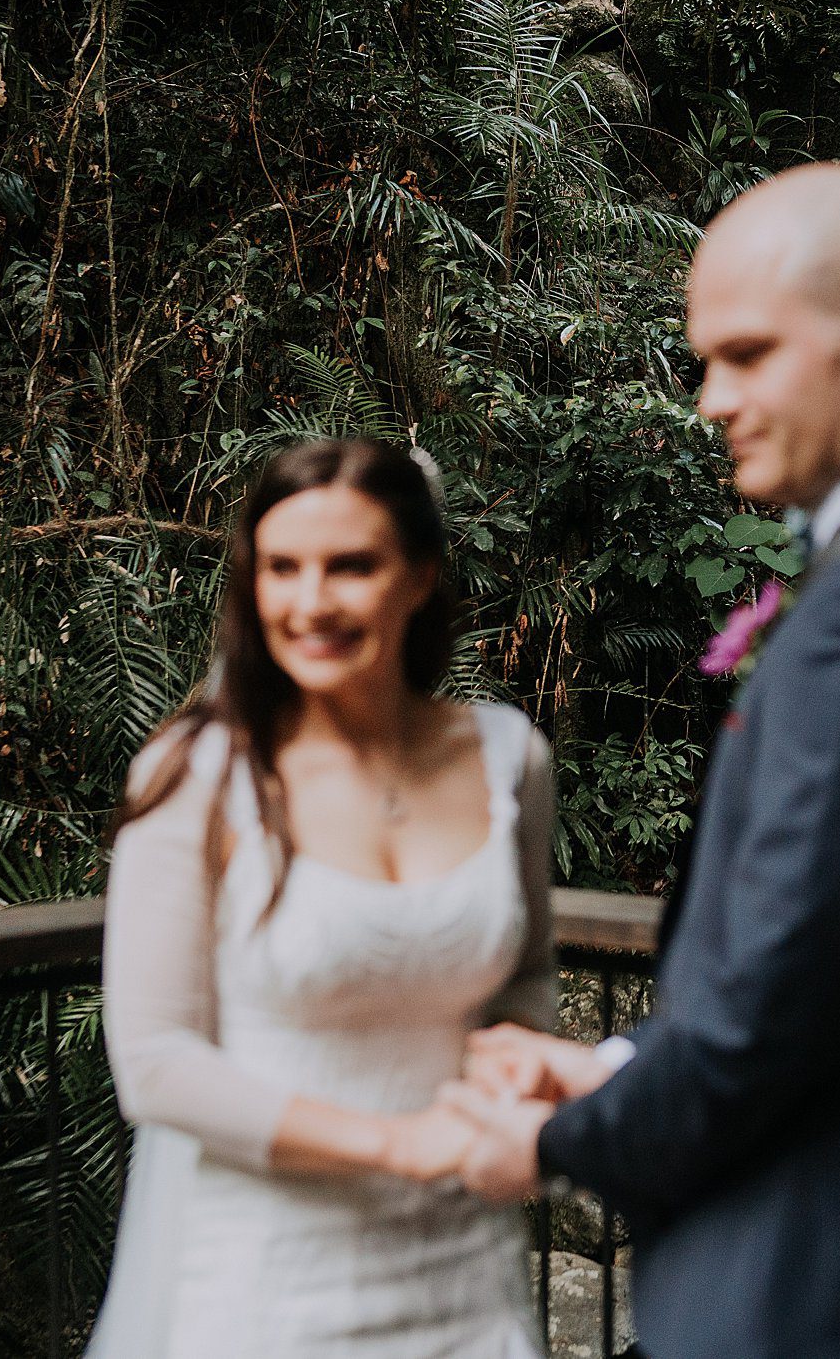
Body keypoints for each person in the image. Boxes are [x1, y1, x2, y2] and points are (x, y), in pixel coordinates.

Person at [444, 163, 840, 1359]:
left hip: (833, 1285)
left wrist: (549, 1143)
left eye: (744, 355)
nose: (710, 400)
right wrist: (611, 1065)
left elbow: (775, 1013)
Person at [88, 439, 556, 1359]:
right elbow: (154, 1062)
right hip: (270, 1277)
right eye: (282, 568)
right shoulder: (199, 778)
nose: (312, 603)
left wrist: (519, 1070)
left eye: (351, 566)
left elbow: (525, 978)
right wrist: (398, 1146)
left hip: (464, 1266)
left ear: (419, 576)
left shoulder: (510, 758)